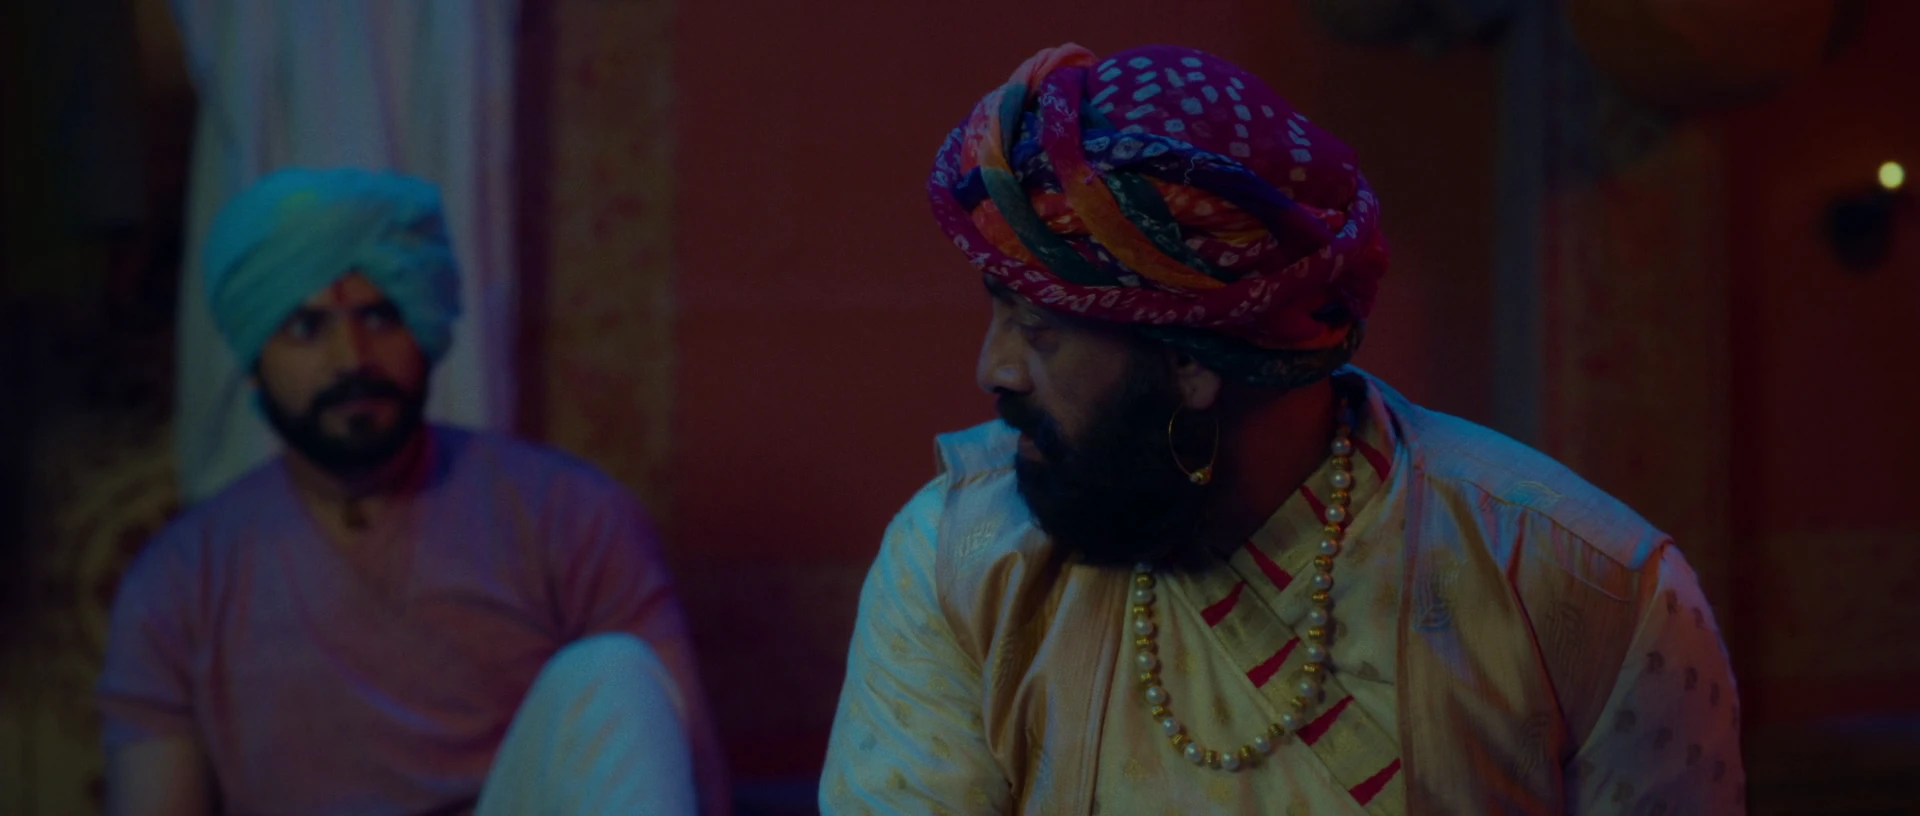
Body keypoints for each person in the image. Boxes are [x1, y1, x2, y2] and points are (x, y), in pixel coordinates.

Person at [821, 44, 1743, 814]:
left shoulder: (1587, 587)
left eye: (1039, 328)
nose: (994, 369)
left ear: (1191, 360)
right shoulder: (955, 563)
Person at [98, 168, 728, 815]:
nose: (352, 358)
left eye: (381, 316)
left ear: (422, 329)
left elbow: (696, 788)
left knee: (614, 671)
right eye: (307, 328)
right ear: (256, 360)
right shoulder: (177, 582)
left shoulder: (571, 516)